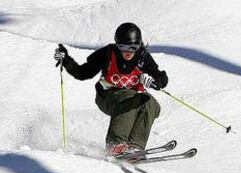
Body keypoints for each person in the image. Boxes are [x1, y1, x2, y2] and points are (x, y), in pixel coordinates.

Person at [54, 22, 168, 155]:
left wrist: (155, 82)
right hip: (107, 96)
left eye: (133, 47)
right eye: (123, 47)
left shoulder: (142, 56)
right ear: (117, 44)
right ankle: (115, 144)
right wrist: (66, 59)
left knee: (150, 103)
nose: (128, 52)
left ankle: (135, 147)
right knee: (130, 97)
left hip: (131, 98)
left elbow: (161, 77)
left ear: (139, 44)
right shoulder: (108, 53)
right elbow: (82, 72)